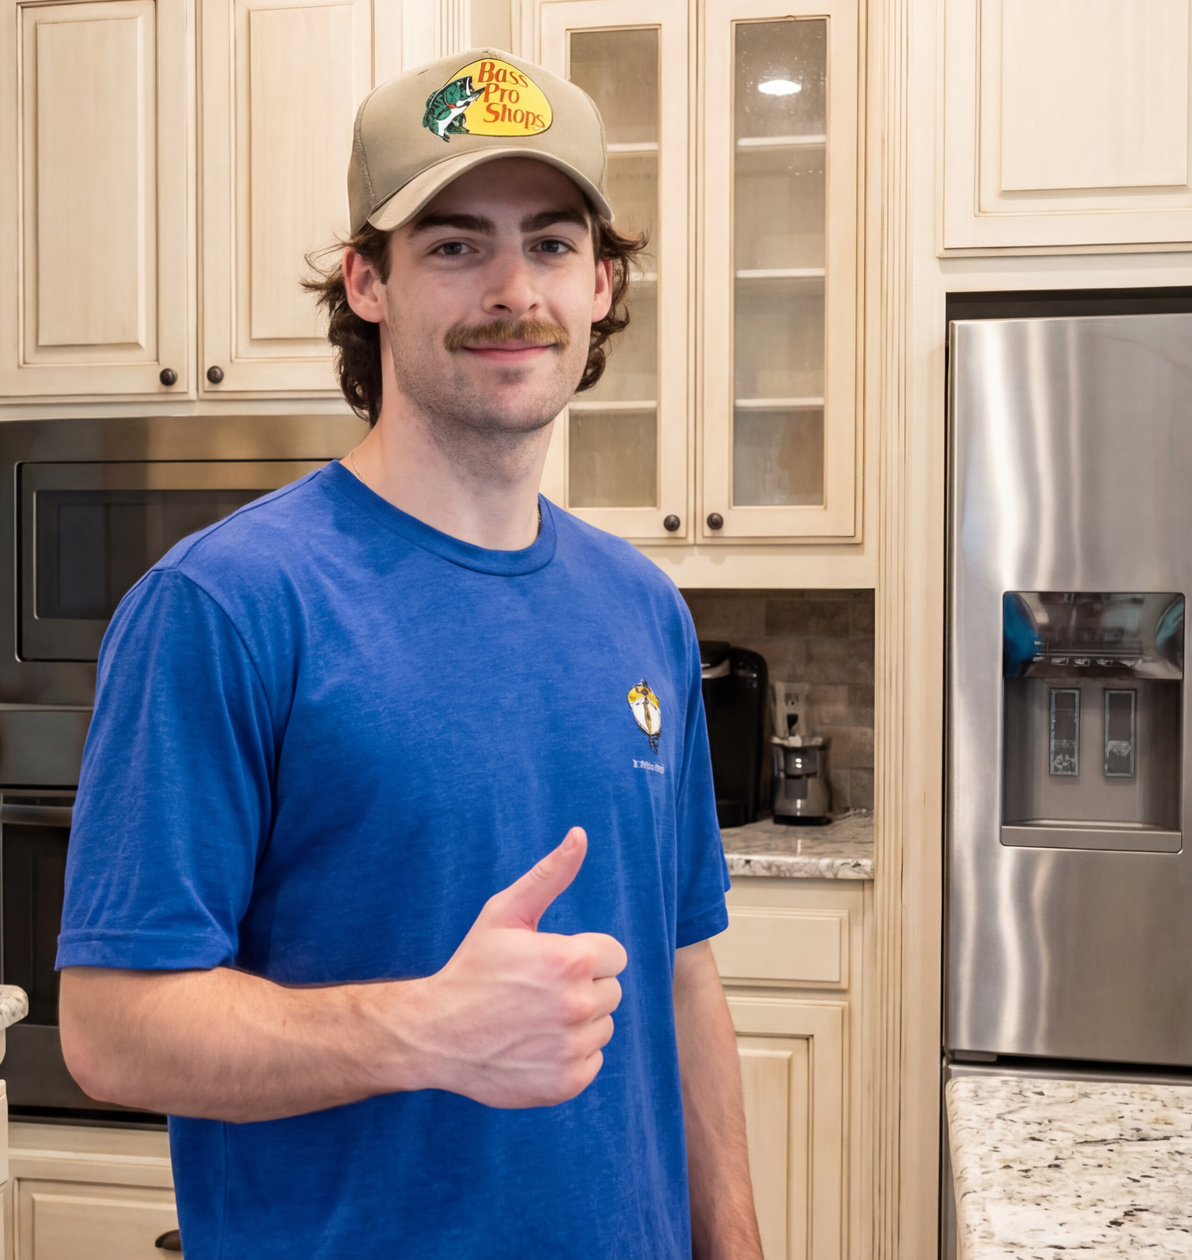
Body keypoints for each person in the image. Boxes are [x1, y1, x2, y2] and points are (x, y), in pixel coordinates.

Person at [57, 48, 763, 1259]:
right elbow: (113, 1031)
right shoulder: (227, 607)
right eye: (452, 245)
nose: (511, 289)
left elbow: (685, 975)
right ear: (366, 281)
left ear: (600, 284)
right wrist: (427, 1031)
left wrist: (736, 1239)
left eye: (548, 244)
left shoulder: (643, 609)